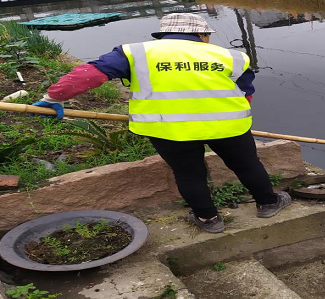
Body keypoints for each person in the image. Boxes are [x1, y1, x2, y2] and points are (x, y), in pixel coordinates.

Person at [32, 13, 291, 233]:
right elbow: (246, 94)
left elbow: (88, 75)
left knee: (189, 174)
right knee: (247, 165)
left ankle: (208, 219)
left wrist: (52, 98)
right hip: (228, 126)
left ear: (164, 35)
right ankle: (268, 203)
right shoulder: (231, 56)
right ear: (202, 35)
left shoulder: (135, 53)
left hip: (168, 128)